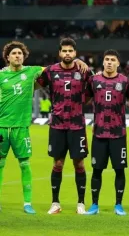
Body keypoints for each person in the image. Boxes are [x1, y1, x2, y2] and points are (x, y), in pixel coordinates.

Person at [0, 40, 87, 214]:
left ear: (24, 56)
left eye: (20, 53)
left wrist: (78, 61)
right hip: (1, 126)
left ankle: (27, 204)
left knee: (24, 164)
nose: (17, 56)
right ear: (7, 57)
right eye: (14, 53)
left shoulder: (32, 71)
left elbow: (57, 68)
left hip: (21, 128)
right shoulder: (1, 75)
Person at [37, 38, 91, 215]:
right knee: (58, 163)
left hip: (77, 125)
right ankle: (55, 203)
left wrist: (81, 104)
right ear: (59, 53)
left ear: (75, 53)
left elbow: (96, 89)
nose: (67, 53)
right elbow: (34, 83)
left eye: (70, 51)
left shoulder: (84, 71)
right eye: (64, 51)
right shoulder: (51, 71)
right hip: (57, 125)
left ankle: (81, 203)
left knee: (79, 164)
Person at [85, 49, 129, 216]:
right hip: (99, 134)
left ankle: (118, 205)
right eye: (107, 59)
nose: (109, 62)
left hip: (118, 134)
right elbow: (83, 97)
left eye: (113, 60)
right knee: (97, 170)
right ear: (103, 62)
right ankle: (94, 205)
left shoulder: (125, 82)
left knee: (119, 170)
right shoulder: (94, 80)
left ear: (118, 63)